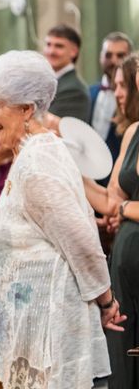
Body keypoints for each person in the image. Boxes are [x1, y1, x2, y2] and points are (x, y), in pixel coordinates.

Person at [0, 50, 124, 388]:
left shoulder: (38, 162)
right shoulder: (32, 155)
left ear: (26, 108)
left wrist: (106, 301)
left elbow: (81, 240)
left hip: (52, 336)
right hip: (38, 327)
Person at [83, 53, 139, 389]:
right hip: (125, 265)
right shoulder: (134, 131)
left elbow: (120, 207)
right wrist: (69, 167)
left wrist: (125, 210)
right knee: (124, 359)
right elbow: (110, 200)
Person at [90, 32, 133, 166]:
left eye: (120, 55)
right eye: (108, 55)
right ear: (100, 57)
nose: (114, 60)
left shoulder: (135, 98)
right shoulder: (89, 93)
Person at [43, 24, 91, 122]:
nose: (51, 51)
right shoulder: (46, 81)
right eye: (48, 44)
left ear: (74, 51)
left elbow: (53, 130)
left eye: (59, 46)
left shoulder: (74, 91)